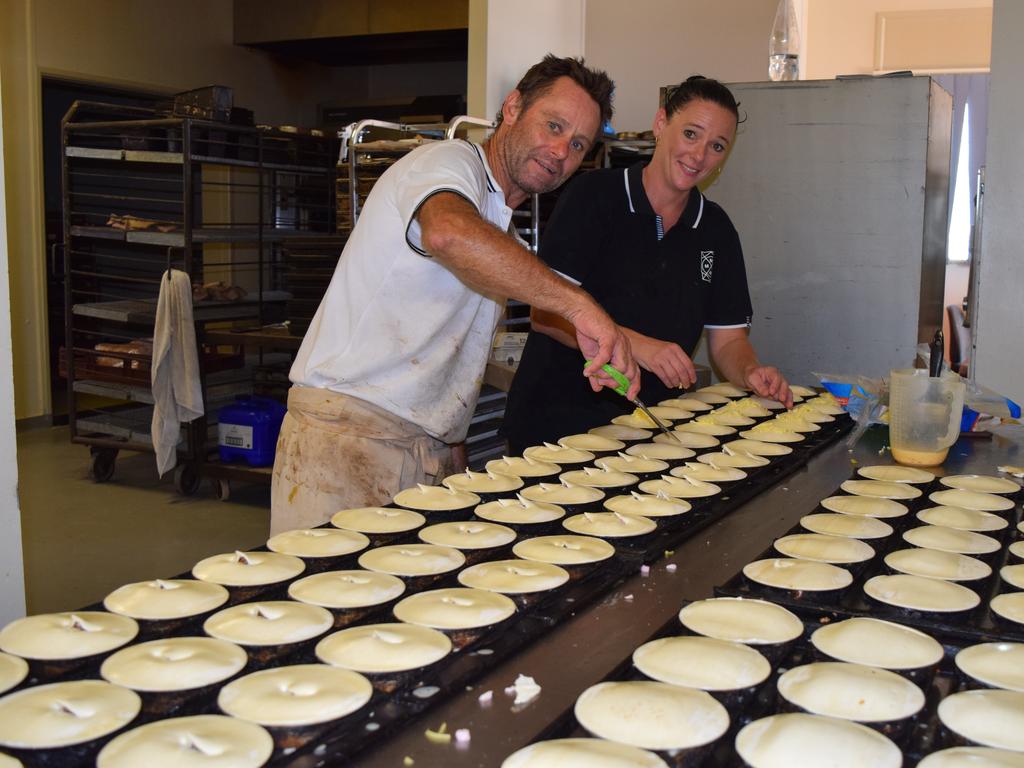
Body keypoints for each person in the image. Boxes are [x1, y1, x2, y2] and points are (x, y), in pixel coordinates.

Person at [270, 55, 639, 535]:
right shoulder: (446, 162)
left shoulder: (498, 221)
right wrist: (577, 303)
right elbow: (446, 232)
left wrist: (452, 447)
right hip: (348, 437)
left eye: (577, 144)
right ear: (512, 107)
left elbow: (443, 350)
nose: (559, 151)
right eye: (552, 125)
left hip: (419, 447)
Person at [503, 75, 791, 454]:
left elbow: (729, 341)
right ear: (660, 124)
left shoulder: (716, 230)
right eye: (691, 134)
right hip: (556, 428)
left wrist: (750, 372)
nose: (699, 155)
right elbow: (545, 314)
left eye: (716, 145)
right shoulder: (594, 198)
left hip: (649, 435)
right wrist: (635, 345)